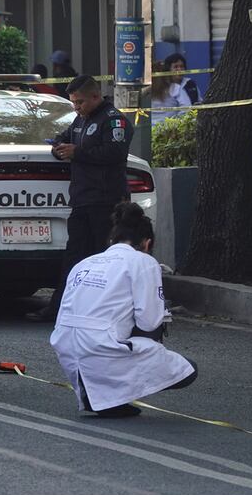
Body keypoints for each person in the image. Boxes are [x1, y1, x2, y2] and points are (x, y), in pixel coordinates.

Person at [50, 202, 197, 417]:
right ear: (147, 243)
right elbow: (149, 321)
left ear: (111, 240)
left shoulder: (85, 263)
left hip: (65, 345)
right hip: (100, 346)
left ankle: (103, 396)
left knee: (111, 335)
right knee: (188, 370)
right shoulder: (144, 262)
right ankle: (113, 394)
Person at [26, 75, 133, 323]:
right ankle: (60, 309)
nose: (76, 107)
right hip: (82, 199)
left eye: (80, 102)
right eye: (73, 102)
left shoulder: (113, 120)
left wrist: (78, 152)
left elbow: (115, 152)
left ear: (95, 97)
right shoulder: (80, 120)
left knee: (103, 259)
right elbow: (63, 138)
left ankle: (106, 312)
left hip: (106, 201)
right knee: (74, 258)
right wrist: (58, 148)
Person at [146, 60, 191, 126]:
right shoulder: (175, 88)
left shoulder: (147, 91)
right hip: (169, 129)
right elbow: (186, 108)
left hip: (151, 128)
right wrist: (177, 123)